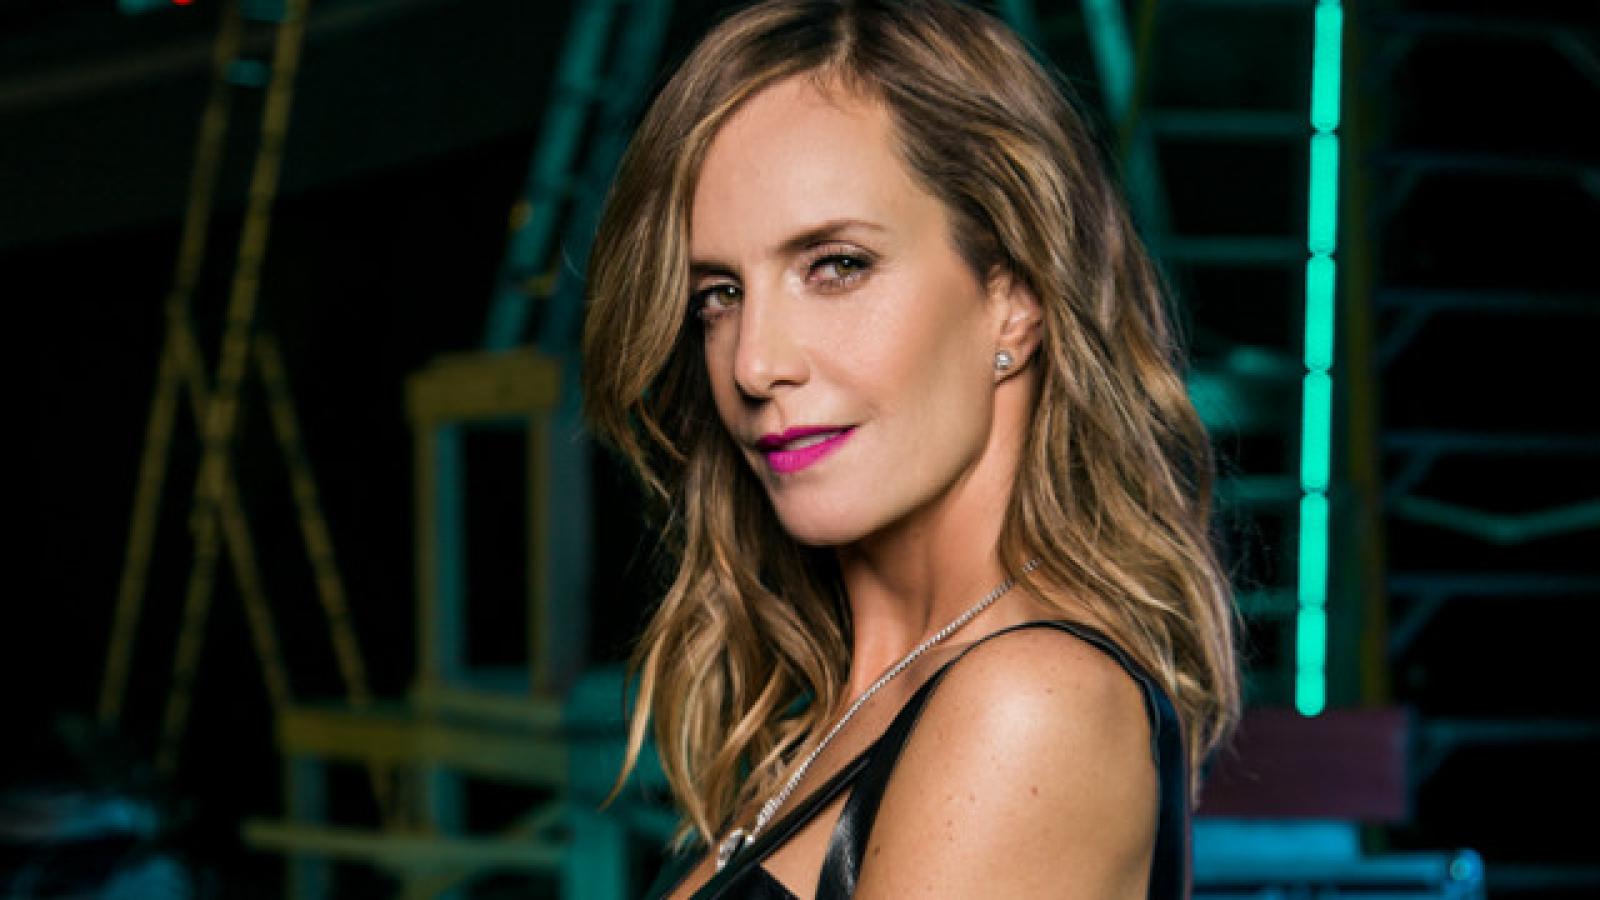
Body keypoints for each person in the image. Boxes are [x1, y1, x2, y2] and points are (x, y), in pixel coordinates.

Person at [581, 1, 1240, 896]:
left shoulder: (1028, 703)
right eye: (720, 295)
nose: (754, 363)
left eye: (836, 266)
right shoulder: (849, 710)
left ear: (1014, 297)